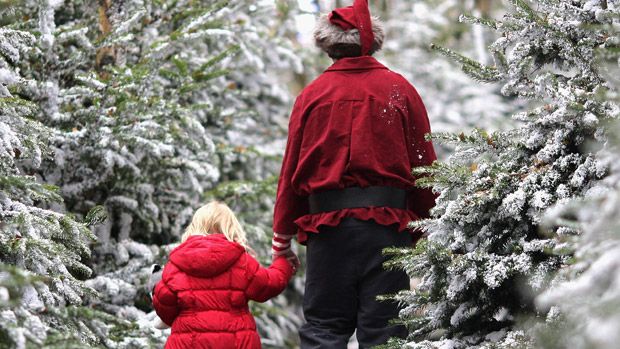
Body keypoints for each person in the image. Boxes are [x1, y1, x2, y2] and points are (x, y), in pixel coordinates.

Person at [271, 0, 437, 348]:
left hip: (328, 230)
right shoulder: (398, 90)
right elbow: (424, 163)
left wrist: (282, 237)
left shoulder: (311, 96)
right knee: (385, 333)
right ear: (372, 41)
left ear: (329, 44)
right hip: (386, 228)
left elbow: (291, 173)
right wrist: (428, 225)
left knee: (324, 329)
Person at [153, 201, 298, 349]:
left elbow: (163, 303)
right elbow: (270, 284)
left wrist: (173, 318)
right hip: (237, 342)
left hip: (187, 342)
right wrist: (283, 262)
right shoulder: (242, 262)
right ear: (232, 228)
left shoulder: (176, 265)